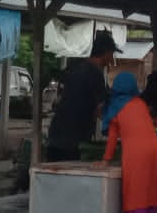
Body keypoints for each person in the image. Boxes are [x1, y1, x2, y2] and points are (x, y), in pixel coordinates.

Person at [97, 72, 157, 213]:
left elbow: (112, 138)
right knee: (149, 192)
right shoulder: (141, 104)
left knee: (136, 193)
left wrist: (105, 160)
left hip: (137, 153)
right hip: (155, 149)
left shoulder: (115, 107)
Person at [45, 31, 116, 162]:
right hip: (73, 142)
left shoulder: (75, 66)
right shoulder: (95, 73)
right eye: (112, 54)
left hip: (56, 135)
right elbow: (101, 109)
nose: (112, 59)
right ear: (106, 52)